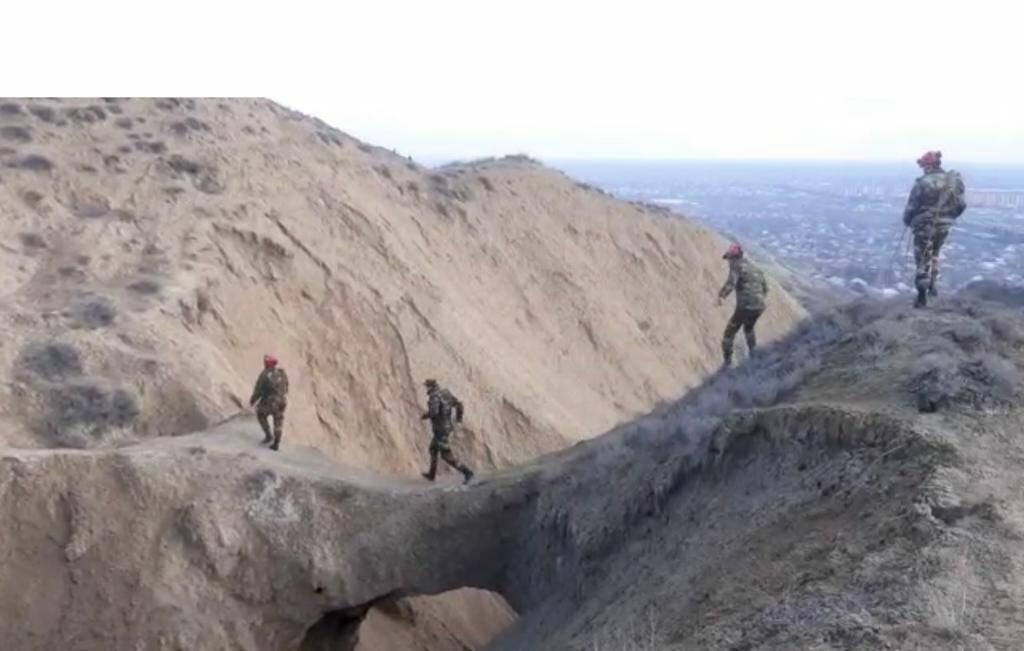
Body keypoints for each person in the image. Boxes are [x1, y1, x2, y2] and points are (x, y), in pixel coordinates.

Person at [902, 150, 967, 308]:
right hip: (944, 226)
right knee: (936, 254)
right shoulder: (951, 182)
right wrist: (948, 218)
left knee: (922, 258)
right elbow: (961, 205)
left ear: (928, 166)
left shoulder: (922, 183)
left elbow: (911, 207)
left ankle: (921, 296)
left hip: (925, 226)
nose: (923, 169)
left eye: (923, 166)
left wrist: (908, 221)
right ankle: (933, 286)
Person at [717, 243, 768, 367]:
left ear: (733, 257)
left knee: (728, 334)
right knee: (748, 329)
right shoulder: (755, 268)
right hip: (759, 306)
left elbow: (731, 283)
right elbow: (765, 288)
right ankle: (754, 356)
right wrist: (757, 299)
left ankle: (727, 364)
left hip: (745, 306)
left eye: (729, 258)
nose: (728, 262)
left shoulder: (736, 266)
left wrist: (721, 296)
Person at [420, 379, 474, 484]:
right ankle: (431, 475)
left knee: (446, 456)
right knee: (433, 449)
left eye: (427, 386)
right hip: (447, 427)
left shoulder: (434, 397)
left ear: (430, 387)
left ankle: (467, 472)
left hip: (440, 430)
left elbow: (434, 412)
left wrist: (425, 416)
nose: (426, 389)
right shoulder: (446, 393)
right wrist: (459, 419)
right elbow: (459, 404)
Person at [250, 354, 289, 451]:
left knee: (260, 413)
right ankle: (276, 443)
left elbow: (258, 390)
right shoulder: (282, 373)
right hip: (282, 401)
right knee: (278, 421)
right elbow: (286, 386)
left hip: (271, 402)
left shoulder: (264, 374)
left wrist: (253, 400)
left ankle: (268, 436)